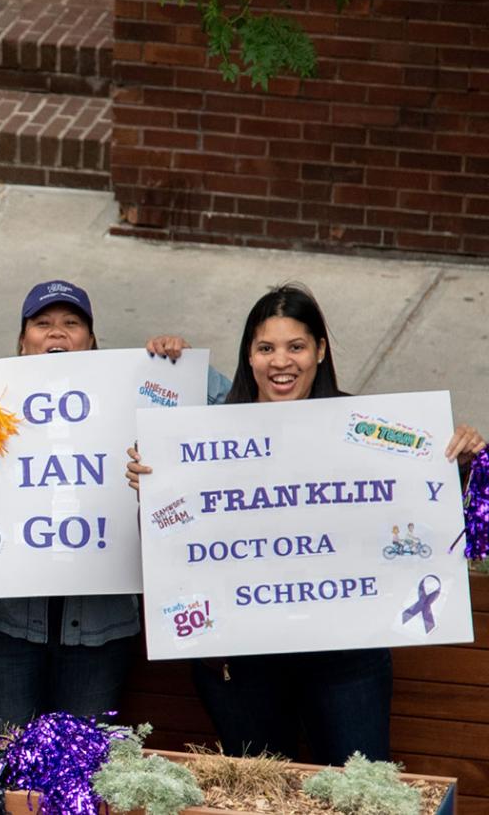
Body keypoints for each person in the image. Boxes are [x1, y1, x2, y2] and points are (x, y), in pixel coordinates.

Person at [126, 283, 487, 764]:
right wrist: (153, 489)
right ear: (248, 356)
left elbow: (426, 517)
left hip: (346, 655)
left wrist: (461, 464)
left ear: (319, 350)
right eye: (266, 348)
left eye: (295, 346)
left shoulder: (370, 430)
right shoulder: (204, 436)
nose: (281, 362)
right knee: (260, 795)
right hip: (242, 656)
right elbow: (170, 544)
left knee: (360, 792)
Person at [0, 280, 211, 734]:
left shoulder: (134, 397)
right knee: (5, 757)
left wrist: (181, 366)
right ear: (23, 340)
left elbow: (215, 421)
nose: (57, 332)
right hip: (4, 629)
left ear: (91, 341)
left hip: (100, 632)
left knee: (79, 766)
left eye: (72, 323)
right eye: (43, 323)